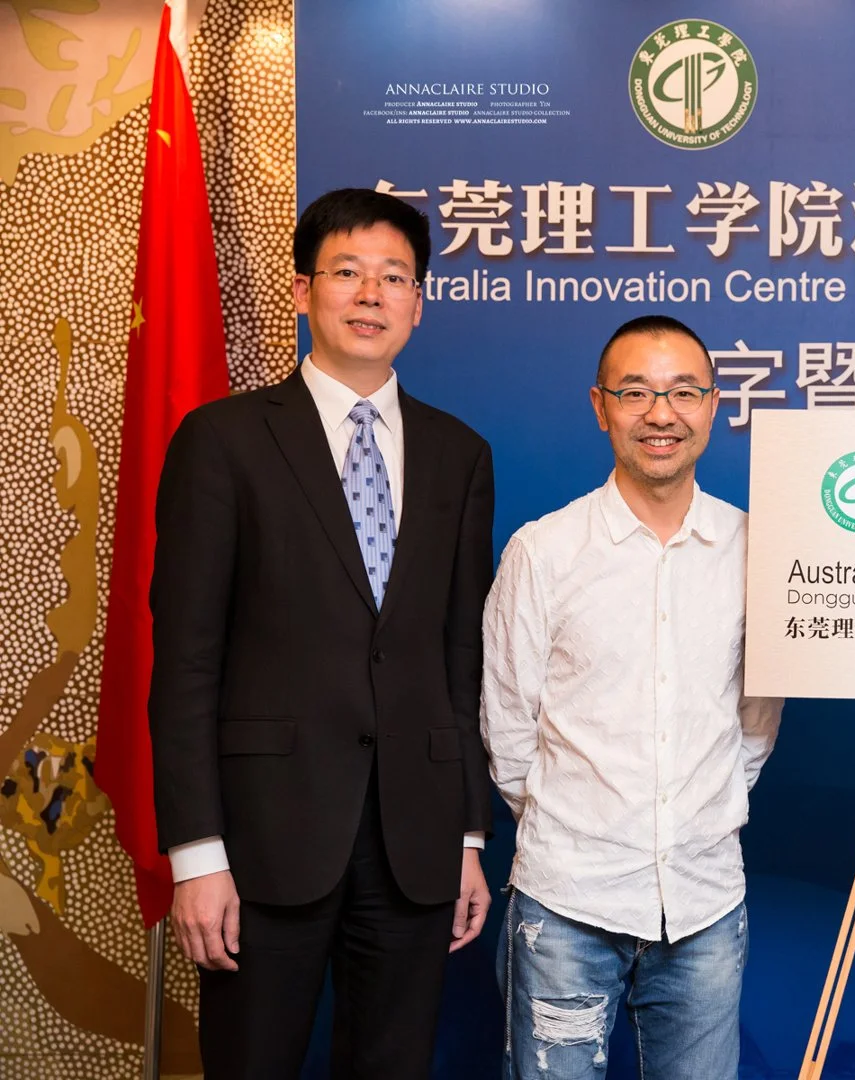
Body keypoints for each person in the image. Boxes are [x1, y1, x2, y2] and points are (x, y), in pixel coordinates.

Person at [149, 187, 495, 1078]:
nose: (371, 294)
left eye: (394, 277)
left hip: (414, 848)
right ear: (304, 292)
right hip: (263, 846)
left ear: (419, 303)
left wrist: (465, 837)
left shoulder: (460, 453)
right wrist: (197, 856)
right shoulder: (222, 441)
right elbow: (185, 662)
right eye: (347, 272)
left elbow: (460, 658)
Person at [482, 314, 782, 1079]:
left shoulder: (755, 553)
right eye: (636, 393)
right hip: (566, 901)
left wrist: (695, 813)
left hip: (706, 900)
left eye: (684, 392)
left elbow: (753, 726)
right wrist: (584, 826)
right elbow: (509, 730)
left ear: (714, 406)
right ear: (599, 405)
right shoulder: (543, 552)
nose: (661, 414)